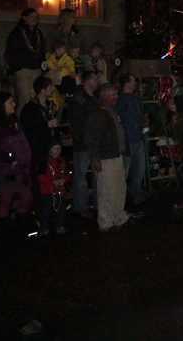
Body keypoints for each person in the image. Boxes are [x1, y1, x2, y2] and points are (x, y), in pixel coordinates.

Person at [86, 83, 143, 233]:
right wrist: (96, 158)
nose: (116, 97)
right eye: (113, 95)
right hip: (106, 157)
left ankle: (118, 216)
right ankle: (105, 222)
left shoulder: (112, 112)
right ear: (104, 96)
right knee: (108, 190)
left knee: (119, 188)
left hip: (117, 154)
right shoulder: (98, 114)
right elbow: (93, 139)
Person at [0, 92, 34, 236]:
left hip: (21, 168)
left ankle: (20, 227)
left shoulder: (15, 123)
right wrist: (11, 157)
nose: (14, 105)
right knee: (6, 202)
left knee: (26, 198)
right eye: (10, 102)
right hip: (7, 171)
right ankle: (6, 233)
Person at [68, 70, 101, 219]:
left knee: (95, 175)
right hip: (84, 144)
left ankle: (95, 204)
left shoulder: (91, 99)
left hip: (92, 142)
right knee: (81, 176)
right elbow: (76, 124)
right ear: (88, 81)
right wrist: (85, 139)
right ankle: (81, 206)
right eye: (95, 79)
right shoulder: (79, 100)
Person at [5, 8, 46, 115]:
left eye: (36, 17)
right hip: (23, 70)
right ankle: (19, 122)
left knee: (34, 97)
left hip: (36, 69)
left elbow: (42, 50)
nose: (34, 19)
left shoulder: (38, 33)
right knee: (24, 98)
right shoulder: (17, 33)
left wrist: (43, 65)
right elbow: (10, 52)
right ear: (24, 18)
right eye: (31, 16)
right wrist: (15, 68)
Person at [115, 73, 147, 205]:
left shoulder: (135, 99)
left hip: (137, 138)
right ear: (127, 82)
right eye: (133, 81)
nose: (136, 83)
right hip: (127, 140)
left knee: (138, 170)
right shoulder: (120, 99)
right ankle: (121, 198)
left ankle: (136, 194)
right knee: (125, 172)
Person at [19, 76, 59, 167]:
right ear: (42, 90)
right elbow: (27, 130)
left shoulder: (51, 106)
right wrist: (46, 125)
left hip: (51, 147)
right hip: (37, 150)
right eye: (50, 87)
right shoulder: (29, 109)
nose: (52, 90)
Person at [36, 139, 71, 236]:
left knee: (60, 209)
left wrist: (64, 180)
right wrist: (52, 182)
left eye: (59, 148)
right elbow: (40, 176)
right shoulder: (44, 161)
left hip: (59, 189)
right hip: (47, 190)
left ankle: (59, 227)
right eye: (54, 148)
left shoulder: (62, 160)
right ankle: (44, 228)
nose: (57, 150)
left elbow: (67, 173)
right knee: (47, 210)